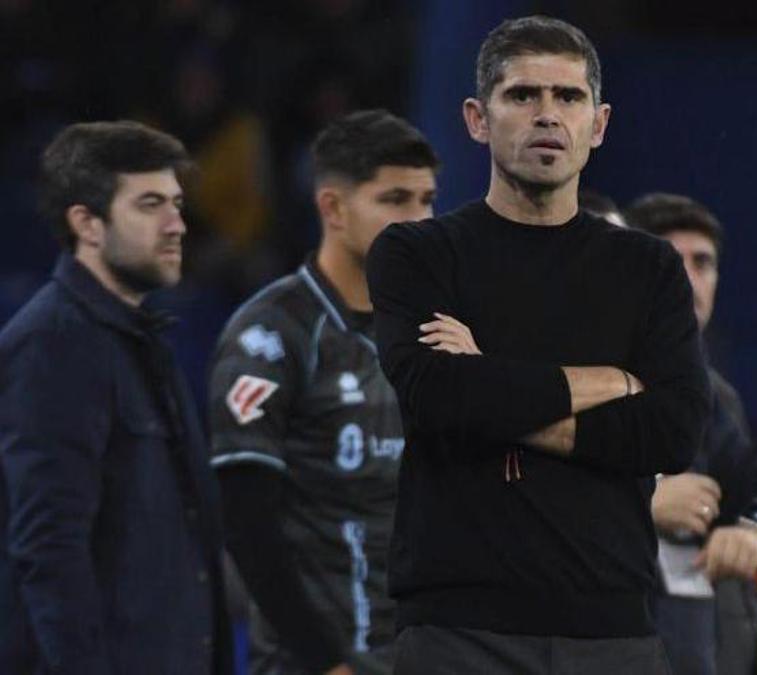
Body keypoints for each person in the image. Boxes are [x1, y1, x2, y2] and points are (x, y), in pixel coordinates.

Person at [365, 15, 711, 674]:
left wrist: (490, 385)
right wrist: (613, 381)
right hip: (457, 634)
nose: (547, 115)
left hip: (613, 634)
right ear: (476, 117)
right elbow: (439, 399)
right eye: (523, 95)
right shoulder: (418, 253)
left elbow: (672, 430)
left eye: (568, 97)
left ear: (599, 124)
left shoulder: (650, 267)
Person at [207, 110, 437, 675]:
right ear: (333, 208)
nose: (419, 220)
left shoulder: (435, 330)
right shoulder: (271, 333)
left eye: (427, 200)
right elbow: (247, 524)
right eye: (395, 200)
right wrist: (327, 664)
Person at [0, 121, 232, 673]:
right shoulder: (51, 346)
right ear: (87, 223)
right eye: (150, 205)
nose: (177, 224)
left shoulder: (145, 340)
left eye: (177, 204)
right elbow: (49, 549)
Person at [625, 192, 757, 675]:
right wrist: (644, 501)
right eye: (672, 259)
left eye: (704, 263)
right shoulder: (576, 375)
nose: (691, 279)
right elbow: (522, 493)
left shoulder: (711, 396)